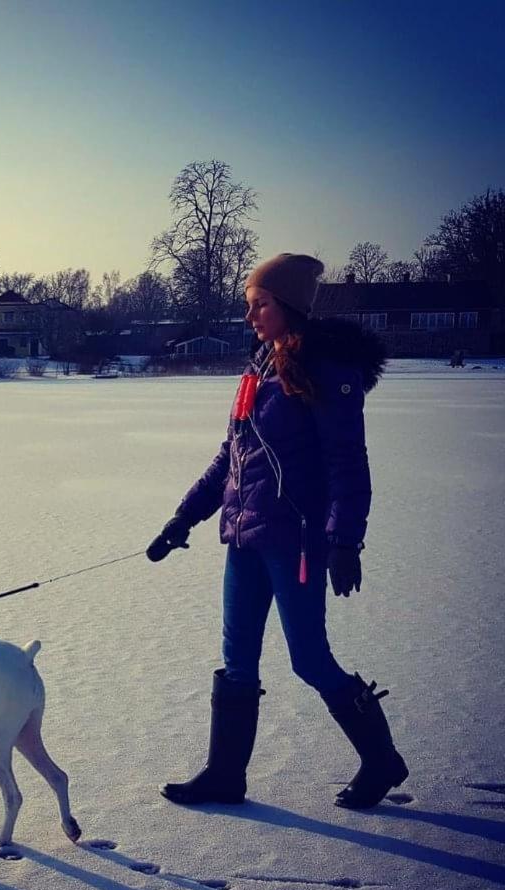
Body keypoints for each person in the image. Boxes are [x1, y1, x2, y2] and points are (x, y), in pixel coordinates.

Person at [147, 253, 408, 810]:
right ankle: (224, 776)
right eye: (249, 304)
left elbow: (348, 463)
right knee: (237, 656)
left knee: (309, 660)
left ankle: (382, 760)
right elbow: (231, 457)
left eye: (259, 304)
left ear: (288, 305)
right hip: (244, 537)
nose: (251, 316)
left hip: (296, 543)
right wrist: (183, 517)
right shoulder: (259, 367)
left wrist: (345, 540)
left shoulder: (326, 371)